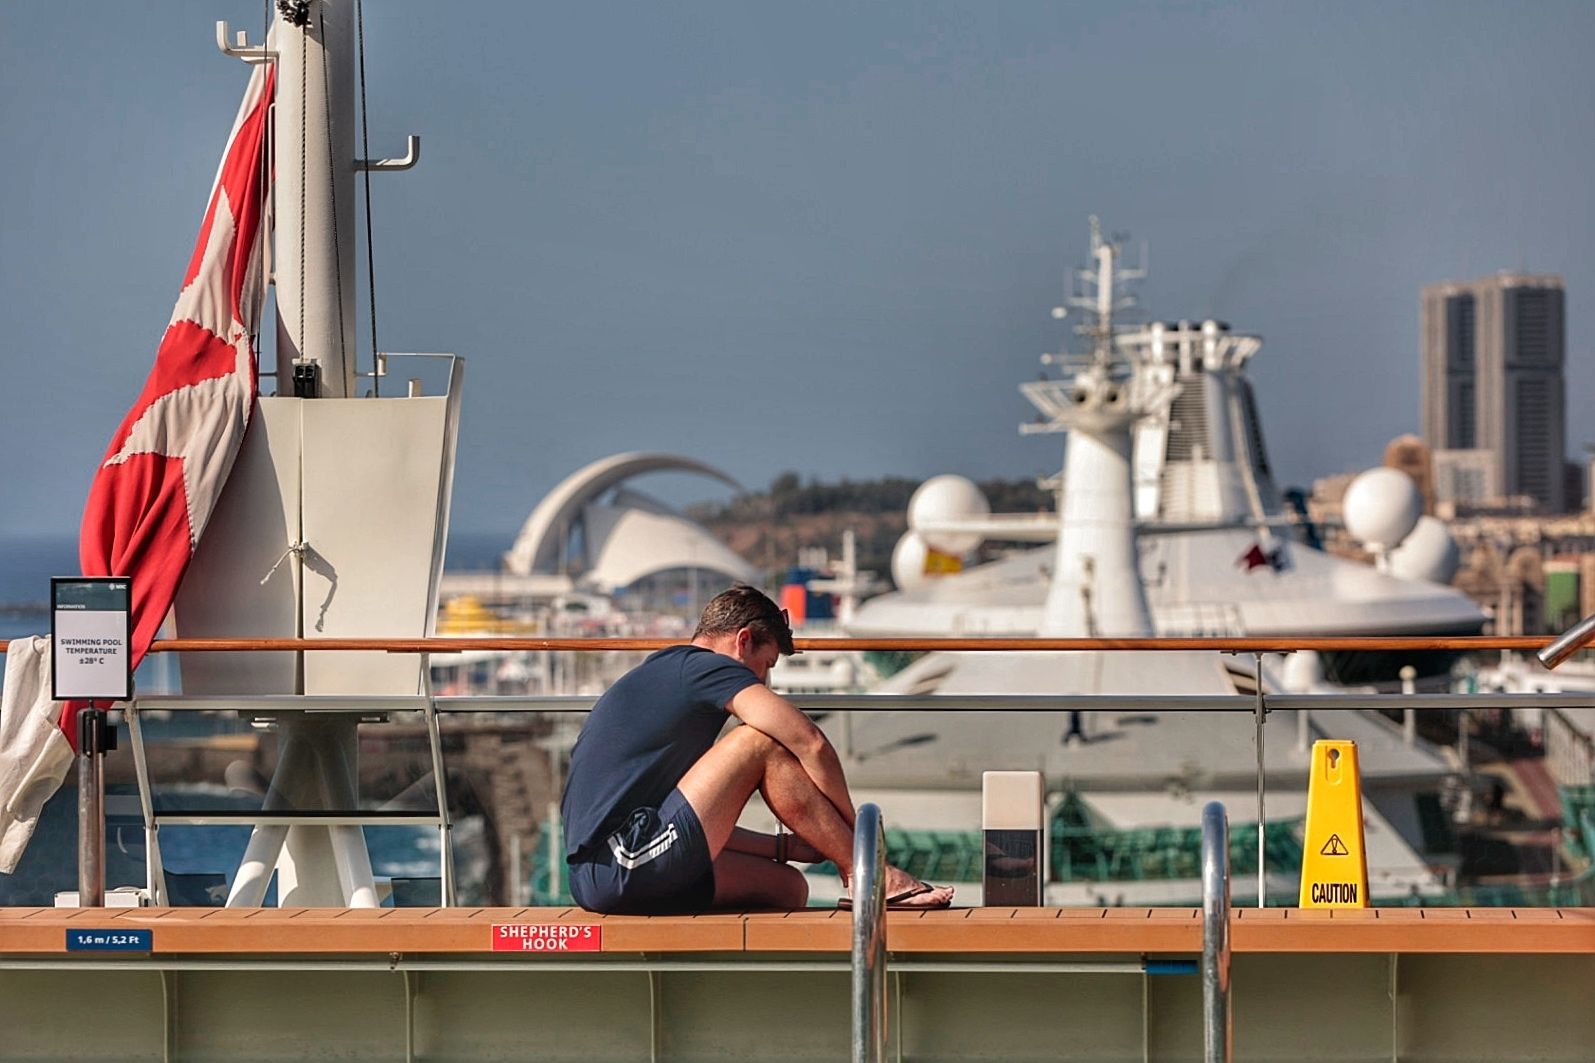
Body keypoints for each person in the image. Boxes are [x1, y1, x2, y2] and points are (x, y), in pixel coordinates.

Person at [561, 584, 954, 914]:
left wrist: (783, 847)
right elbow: (809, 741)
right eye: (765, 664)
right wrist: (857, 841)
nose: (764, 681)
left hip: (605, 871)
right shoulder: (705, 667)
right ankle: (869, 875)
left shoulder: (669, 674)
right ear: (743, 640)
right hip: (620, 862)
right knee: (759, 740)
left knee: (786, 888)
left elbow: (686, 816)